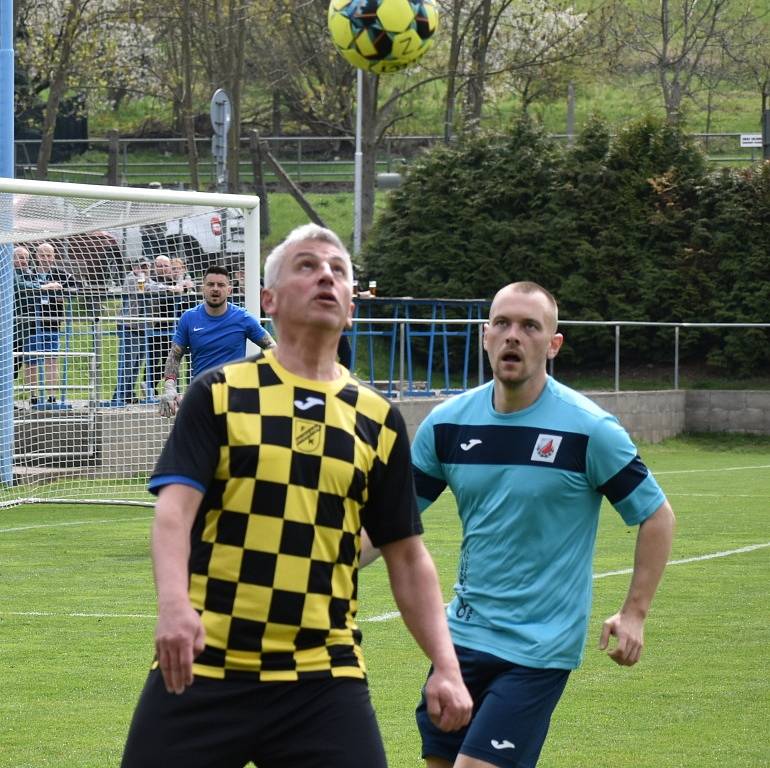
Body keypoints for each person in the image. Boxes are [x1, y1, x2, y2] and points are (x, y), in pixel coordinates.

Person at [120, 223, 472, 768]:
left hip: (322, 676)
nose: (326, 276)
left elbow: (407, 555)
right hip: (205, 665)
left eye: (338, 270)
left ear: (351, 304)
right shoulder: (217, 394)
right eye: (307, 265)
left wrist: (446, 665)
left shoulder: (377, 418)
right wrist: (172, 605)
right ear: (269, 300)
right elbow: (173, 512)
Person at [364, 281, 676, 768]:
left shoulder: (589, 430)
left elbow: (656, 516)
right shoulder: (447, 425)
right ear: (485, 336)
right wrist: (321, 566)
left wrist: (635, 612)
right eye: (503, 324)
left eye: (530, 326)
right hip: (461, 638)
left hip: (539, 646)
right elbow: (390, 521)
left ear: (553, 345)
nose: (514, 336)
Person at [158, 265, 276, 417]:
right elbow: (174, 355)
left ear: (229, 290)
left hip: (235, 401)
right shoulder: (189, 318)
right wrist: (169, 387)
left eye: (221, 285)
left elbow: (272, 347)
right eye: (210, 284)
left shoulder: (243, 318)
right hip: (200, 398)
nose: (215, 289)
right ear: (203, 288)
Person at [27, 241, 79, 407]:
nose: (45, 258)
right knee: (32, 361)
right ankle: (33, 395)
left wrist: (62, 293)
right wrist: (44, 288)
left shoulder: (60, 274)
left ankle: (51, 396)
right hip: (33, 324)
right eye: (42, 255)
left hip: (53, 322)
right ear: (36, 257)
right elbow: (25, 289)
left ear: (54, 257)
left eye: (49, 255)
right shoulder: (30, 274)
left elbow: (77, 287)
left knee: (52, 360)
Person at [105, 256, 154, 407]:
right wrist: (170, 288)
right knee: (127, 363)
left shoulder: (148, 280)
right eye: (141, 267)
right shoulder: (132, 279)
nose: (144, 270)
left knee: (137, 364)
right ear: (134, 268)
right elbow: (145, 288)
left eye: (147, 268)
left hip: (141, 327)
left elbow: (153, 285)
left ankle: (127, 393)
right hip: (129, 326)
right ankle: (118, 396)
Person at [144, 254, 183, 401]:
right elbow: (149, 287)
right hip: (155, 325)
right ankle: (149, 386)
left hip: (172, 325)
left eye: (166, 266)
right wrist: (170, 288)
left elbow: (183, 287)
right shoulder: (150, 278)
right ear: (154, 267)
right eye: (159, 266)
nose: (163, 269)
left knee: (170, 358)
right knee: (153, 357)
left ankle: (151, 384)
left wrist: (179, 285)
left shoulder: (173, 278)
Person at [13, 245, 38, 384]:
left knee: (16, 363)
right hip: (9, 325)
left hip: (24, 327)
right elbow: (19, 285)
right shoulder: (8, 272)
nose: (24, 261)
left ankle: (7, 401)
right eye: (21, 257)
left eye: (26, 258)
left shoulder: (29, 274)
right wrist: (41, 287)